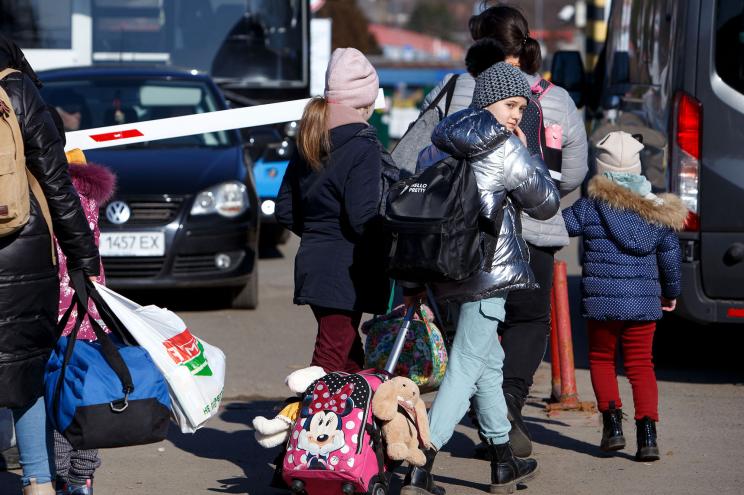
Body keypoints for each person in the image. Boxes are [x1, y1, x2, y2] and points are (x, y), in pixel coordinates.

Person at [421, 2, 589, 457]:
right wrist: (527, 169)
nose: (517, 111)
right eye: (512, 107)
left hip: (457, 241)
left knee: (478, 346)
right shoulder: (551, 100)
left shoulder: (455, 93)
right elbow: (566, 179)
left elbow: (421, 154)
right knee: (516, 329)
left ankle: (499, 447)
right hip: (517, 240)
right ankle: (429, 450)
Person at [401, 62, 559, 495]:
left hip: (445, 268)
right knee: (467, 365)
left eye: (522, 108)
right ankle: (421, 459)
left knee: (487, 365)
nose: (515, 116)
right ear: (488, 100)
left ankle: (503, 461)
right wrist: (528, 153)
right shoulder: (503, 146)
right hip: (487, 272)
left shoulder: (437, 144)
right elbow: (545, 204)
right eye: (510, 104)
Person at [0, 36, 100, 495]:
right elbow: (57, 183)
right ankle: (39, 480)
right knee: (26, 368)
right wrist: (82, 256)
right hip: (23, 250)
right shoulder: (18, 91)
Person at [562, 131, 685, 461]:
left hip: (602, 301)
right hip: (644, 302)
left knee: (602, 360)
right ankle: (648, 437)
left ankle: (612, 428)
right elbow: (670, 258)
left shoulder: (590, 208)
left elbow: (558, 226)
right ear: (637, 166)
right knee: (641, 365)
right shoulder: (657, 211)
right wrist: (671, 293)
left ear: (600, 170)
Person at [275, 47, 389, 379]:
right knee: (327, 363)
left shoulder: (310, 137)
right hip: (346, 270)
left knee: (351, 361)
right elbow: (361, 217)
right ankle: (295, 425)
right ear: (365, 102)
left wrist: (316, 233)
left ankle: (363, 429)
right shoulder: (363, 144)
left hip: (312, 263)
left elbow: (285, 209)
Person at [52, 144, 115, 494]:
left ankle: (64, 475)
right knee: (86, 393)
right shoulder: (88, 194)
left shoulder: (49, 190)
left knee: (56, 392)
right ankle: (84, 476)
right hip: (88, 306)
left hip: (53, 310)